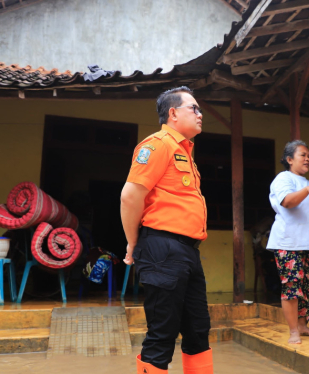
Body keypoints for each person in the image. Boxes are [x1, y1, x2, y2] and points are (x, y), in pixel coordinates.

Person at [120, 86, 212, 374]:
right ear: (173, 113)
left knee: (198, 331)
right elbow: (130, 196)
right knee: (162, 334)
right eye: (193, 108)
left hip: (188, 251)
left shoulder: (185, 152)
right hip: (162, 248)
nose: (200, 114)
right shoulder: (158, 144)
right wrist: (132, 243)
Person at [266, 140, 309, 345]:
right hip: (289, 243)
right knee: (292, 287)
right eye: (303, 155)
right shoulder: (283, 178)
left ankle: (303, 325)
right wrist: (307, 190)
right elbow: (288, 202)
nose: (308, 159)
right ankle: (293, 330)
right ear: (289, 159)